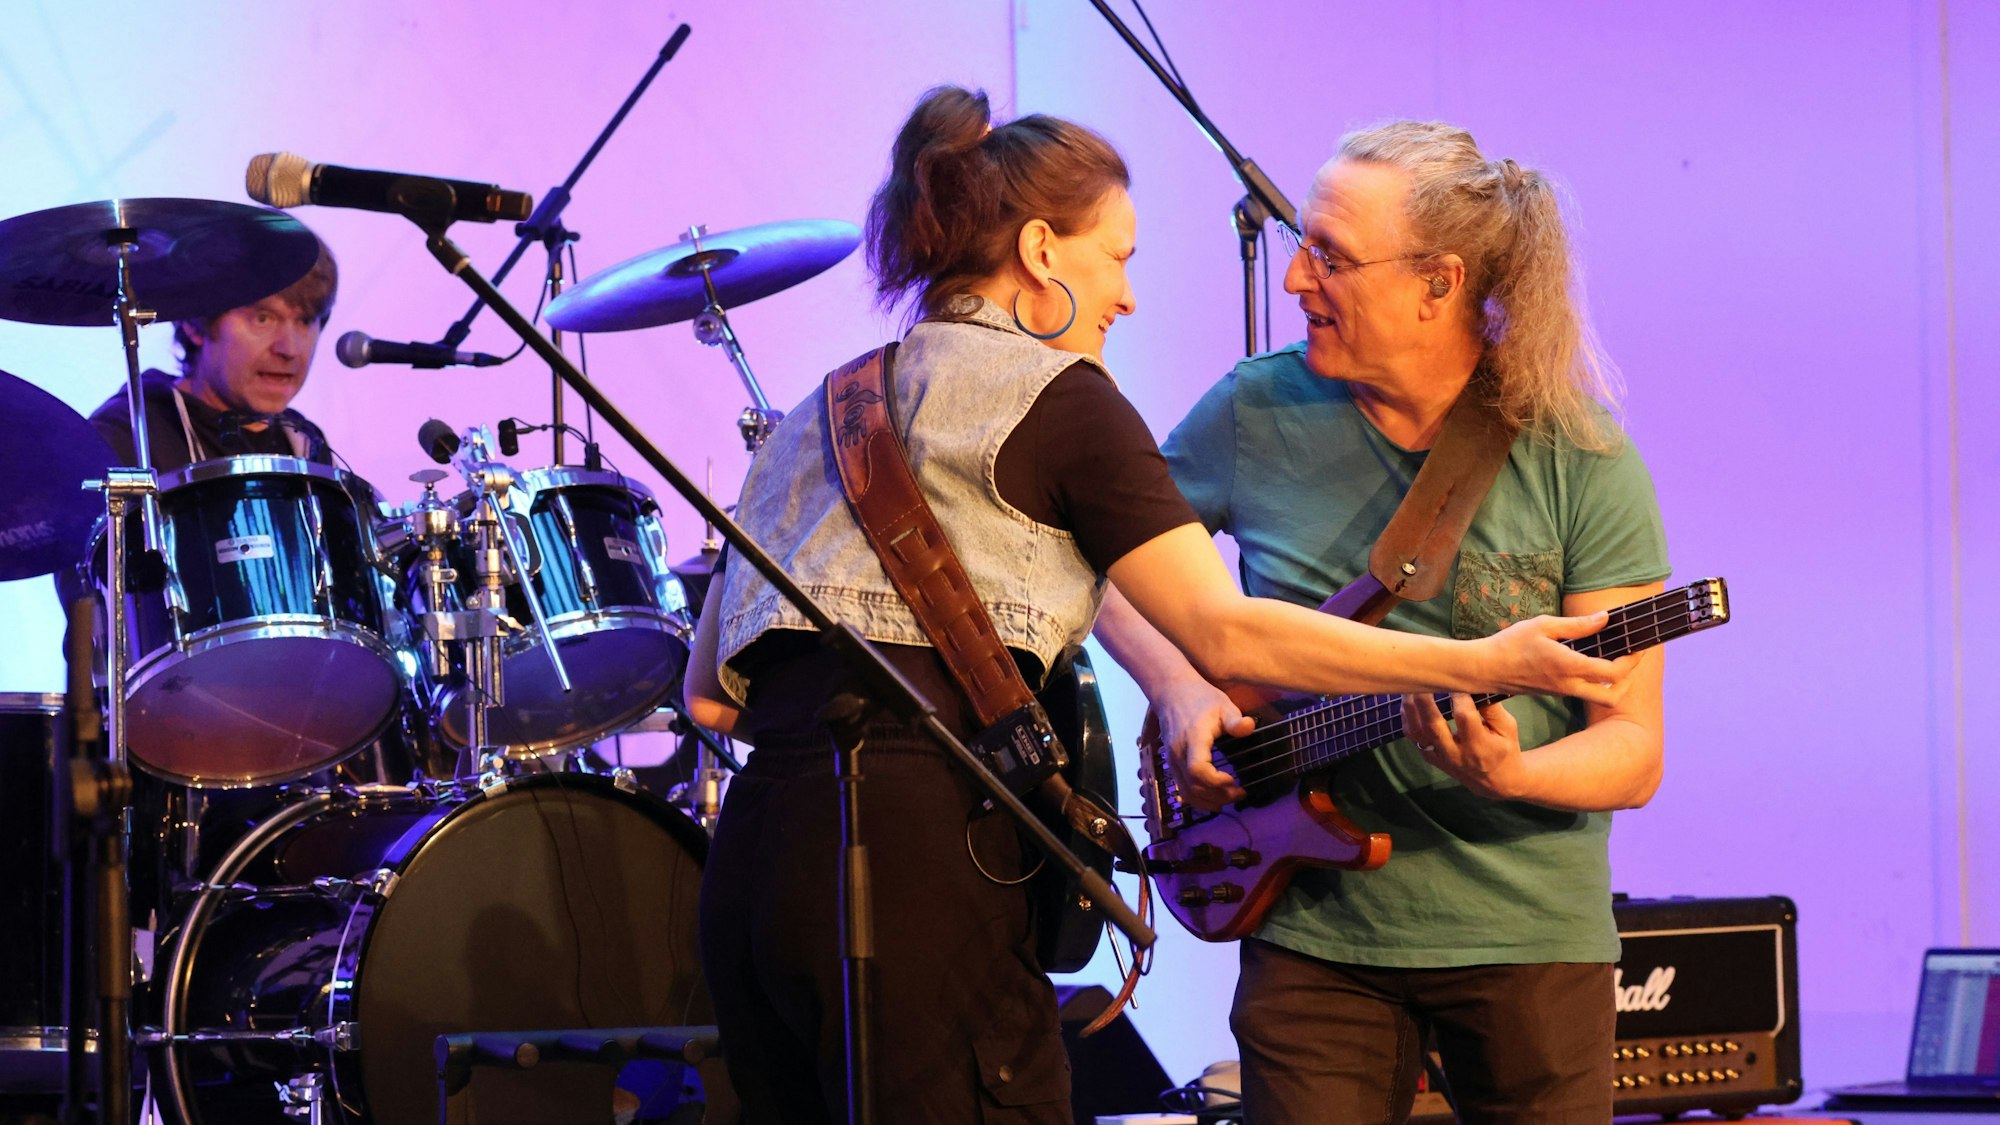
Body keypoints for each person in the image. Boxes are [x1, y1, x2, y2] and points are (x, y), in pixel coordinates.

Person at [681, 89, 1633, 1125]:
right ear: (1043, 251)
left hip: (758, 875)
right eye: (1118, 257)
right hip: (924, 862)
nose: (1126, 297)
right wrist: (1482, 663)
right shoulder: (1063, 400)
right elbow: (1222, 630)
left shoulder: (821, 405)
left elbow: (709, 701)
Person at [1092, 121, 1671, 1123]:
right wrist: (1176, 684)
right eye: (1297, 246)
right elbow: (1094, 562)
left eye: (1329, 256)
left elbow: (1630, 750)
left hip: (1528, 934)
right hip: (1314, 937)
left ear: (1436, 283)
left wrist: (1513, 772)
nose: (1294, 283)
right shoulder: (1252, 411)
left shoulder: (1580, 452)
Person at [86, 237, 337, 470]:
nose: (289, 349)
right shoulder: (127, 436)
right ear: (195, 324)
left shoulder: (305, 444)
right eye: (263, 319)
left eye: (305, 321)